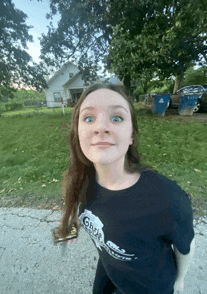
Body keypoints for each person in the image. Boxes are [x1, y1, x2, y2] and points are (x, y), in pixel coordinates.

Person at [56, 83, 195, 294]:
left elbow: (185, 247)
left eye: (117, 118)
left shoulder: (167, 199)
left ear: (131, 136)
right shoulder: (83, 179)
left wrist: (180, 281)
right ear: (78, 132)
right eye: (89, 118)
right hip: (109, 275)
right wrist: (74, 220)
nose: (100, 127)